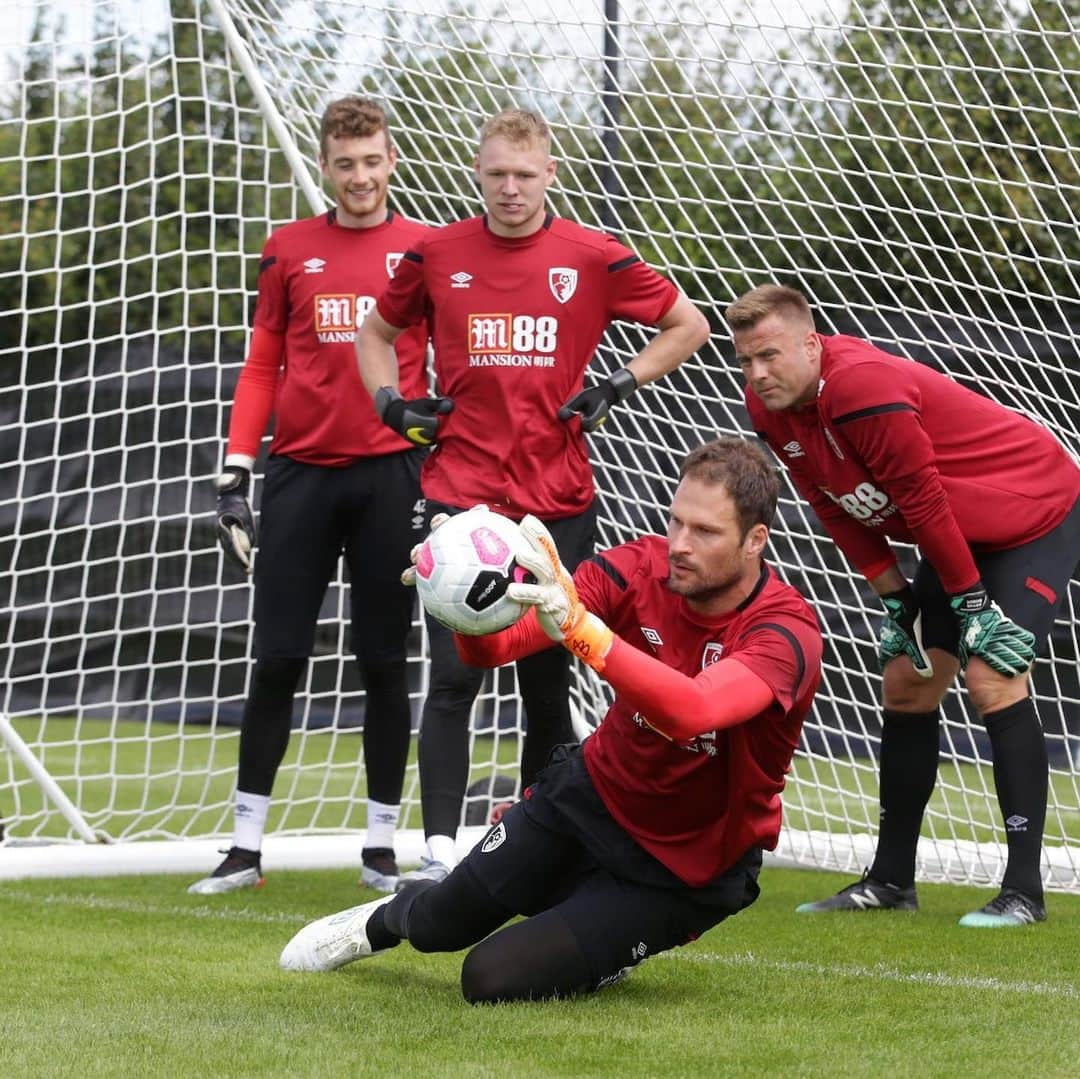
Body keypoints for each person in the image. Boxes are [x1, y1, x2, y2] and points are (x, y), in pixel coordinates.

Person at [278, 438, 824, 1002]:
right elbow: (501, 648)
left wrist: (581, 628)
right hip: (588, 797)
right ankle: (381, 921)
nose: (680, 545)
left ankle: (606, 942)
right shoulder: (638, 567)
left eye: (705, 532)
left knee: (489, 979)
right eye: (676, 522)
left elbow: (694, 711)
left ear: (756, 540)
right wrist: (461, 603)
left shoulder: (785, 632)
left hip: (686, 866)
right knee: (441, 924)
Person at [354, 107, 710, 886]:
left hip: (555, 503)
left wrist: (619, 383)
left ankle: (531, 844)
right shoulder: (437, 251)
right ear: (476, 175)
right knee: (452, 675)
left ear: (551, 174)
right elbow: (373, 334)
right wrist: (392, 407)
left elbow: (689, 324)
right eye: (496, 175)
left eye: (525, 174)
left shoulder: (591, 255)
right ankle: (439, 850)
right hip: (458, 500)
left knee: (546, 675)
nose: (510, 189)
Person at [726, 283, 1080, 927]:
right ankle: (891, 880)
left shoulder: (862, 387)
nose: (757, 373)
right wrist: (895, 600)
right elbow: (833, 506)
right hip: (957, 533)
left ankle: (1025, 892)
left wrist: (973, 608)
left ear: (812, 343)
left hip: (1033, 511)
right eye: (745, 359)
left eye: (770, 355)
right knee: (909, 683)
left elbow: (922, 502)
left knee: (991, 674)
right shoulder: (768, 406)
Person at [188, 98, 429, 896]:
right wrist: (235, 470)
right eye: (346, 163)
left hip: (393, 476)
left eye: (372, 160)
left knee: (384, 662)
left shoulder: (425, 251)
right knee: (278, 658)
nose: (360, 177)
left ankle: (382, 850)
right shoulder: (288, 247)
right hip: (299, 476)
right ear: (325, 167)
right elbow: (262, 365)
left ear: (392, 161)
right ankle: (244, 847)